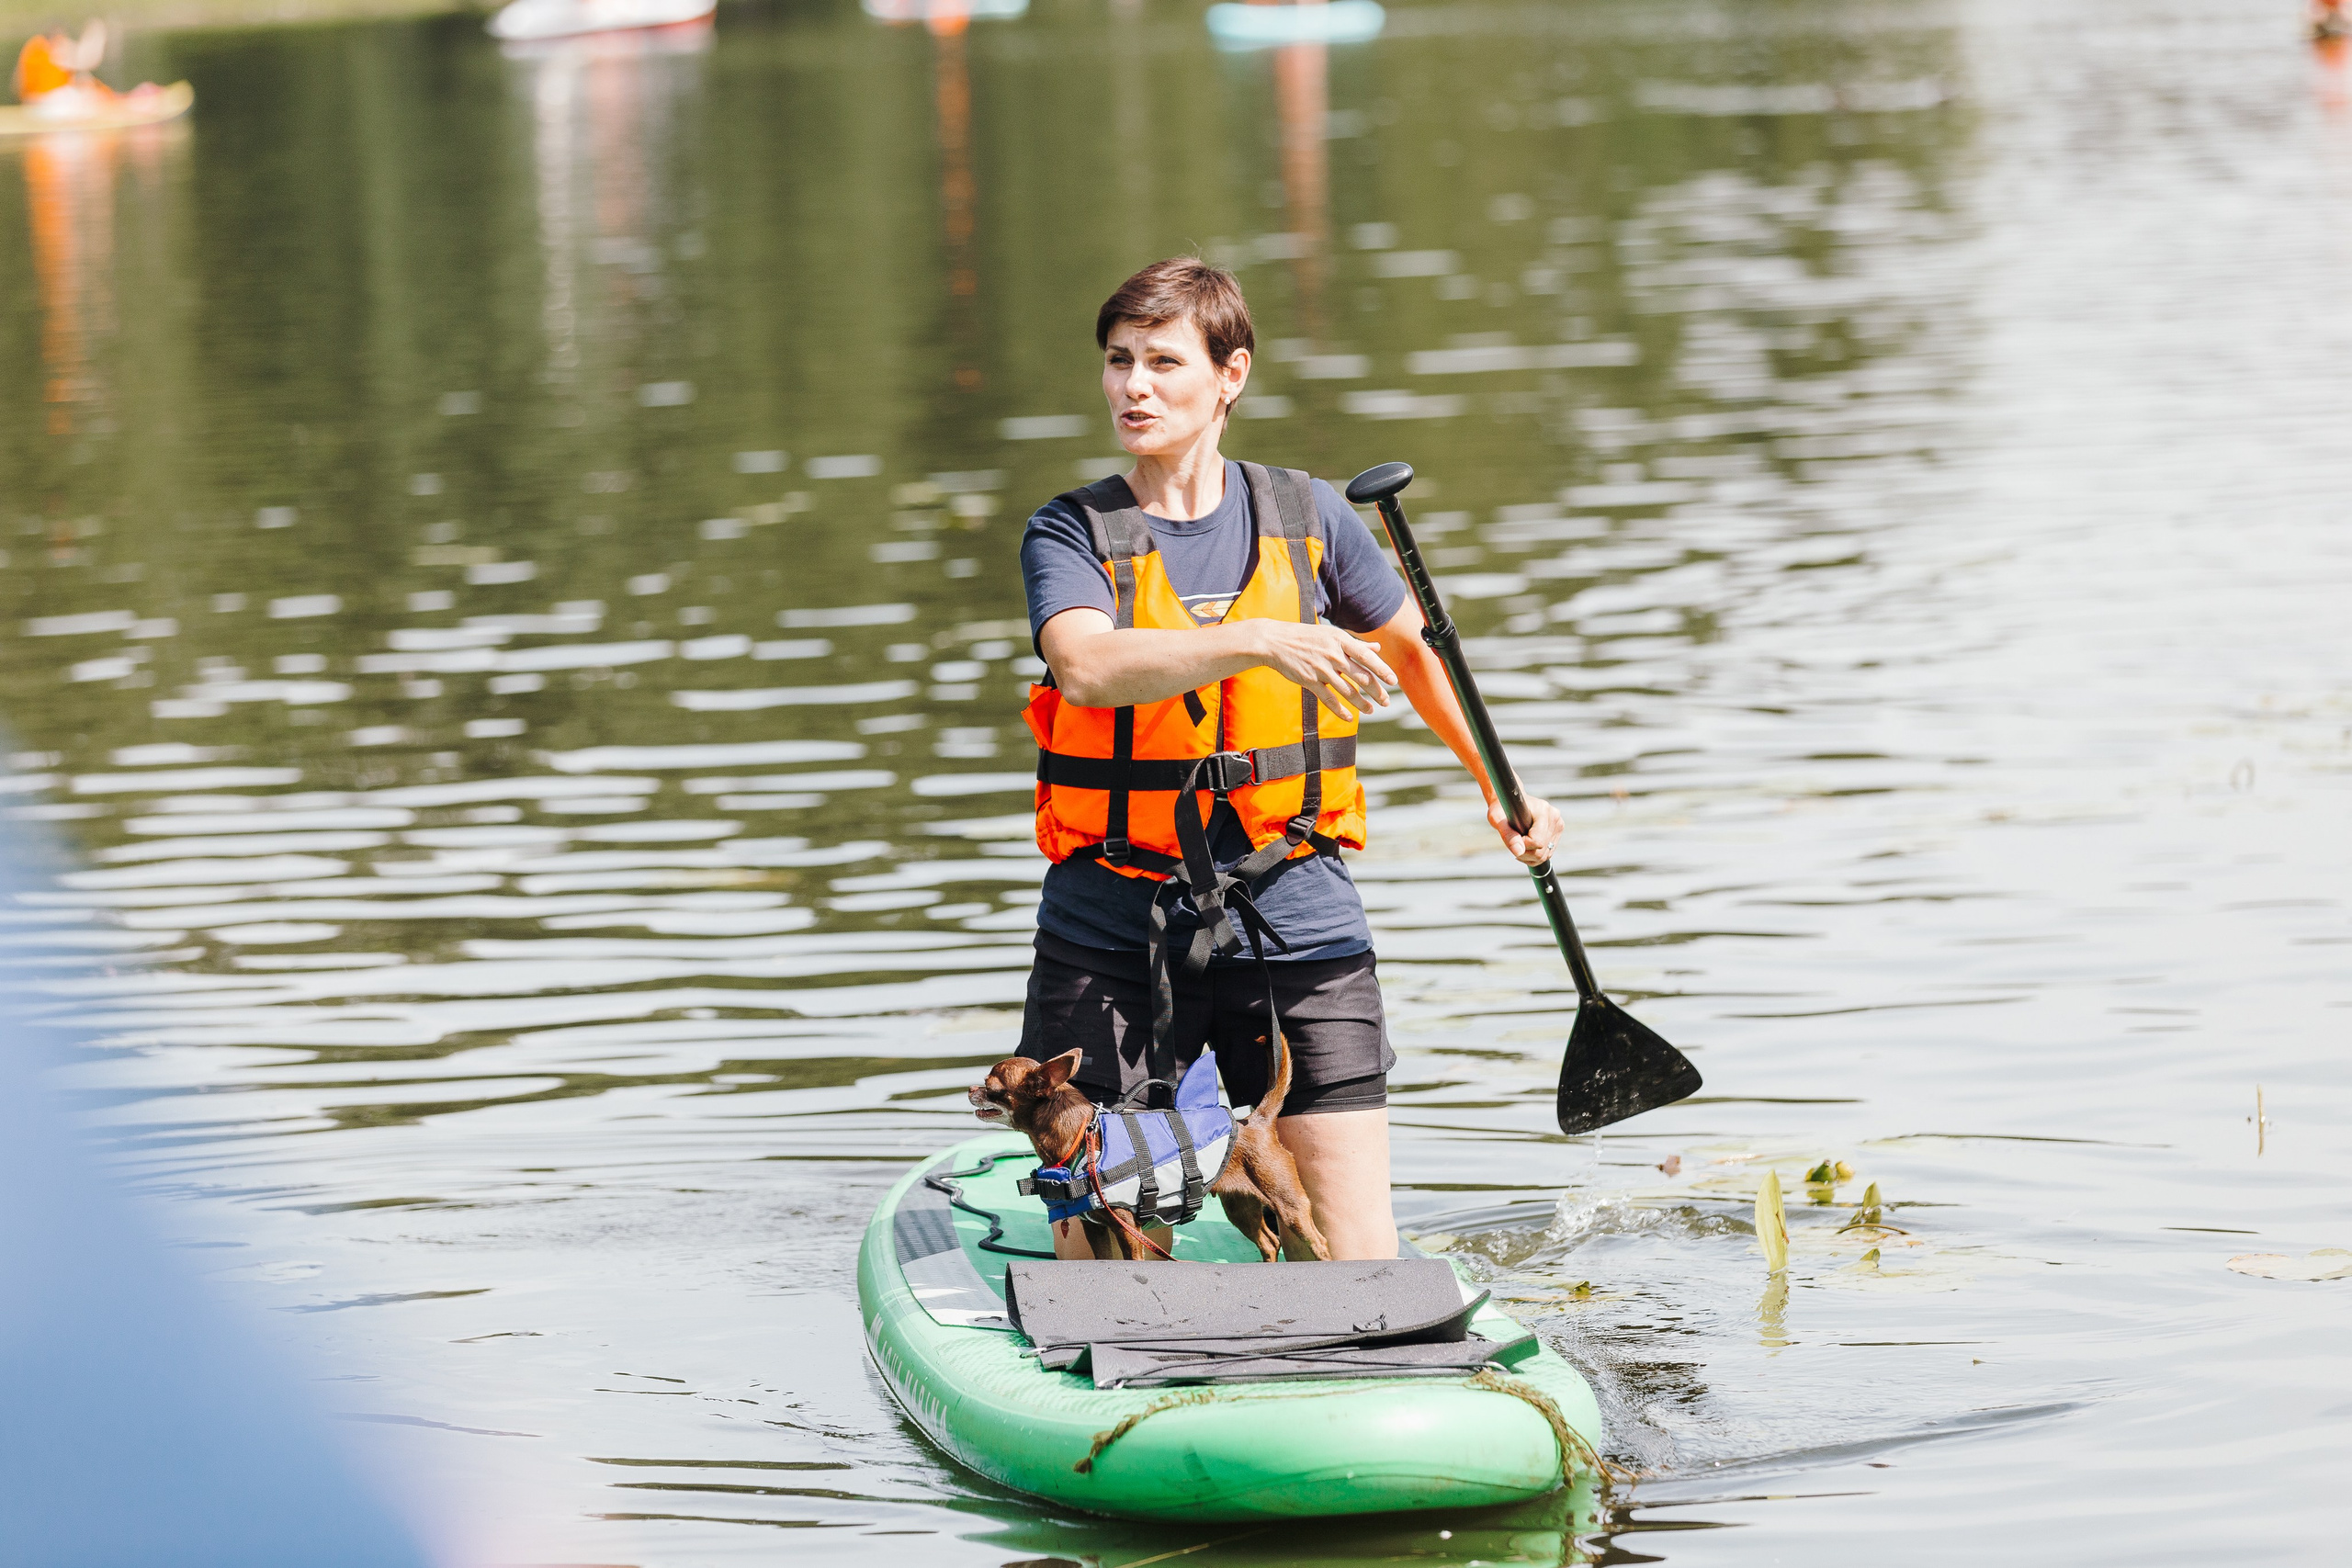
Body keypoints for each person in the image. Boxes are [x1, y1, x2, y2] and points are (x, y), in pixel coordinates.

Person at [1016, 257, 1564, 1262]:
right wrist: (1262, 638)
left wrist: (1502, 786)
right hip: (1113, 929)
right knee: (1107, 1254)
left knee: (1348, 1245)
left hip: (1294, 912)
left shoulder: (1312, 518)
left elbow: (1416, 652)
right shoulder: (1070, 530)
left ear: (1230, 376)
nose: (1133, 386)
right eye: (1117, 361)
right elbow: (1087, 668)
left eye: (1162, 362)